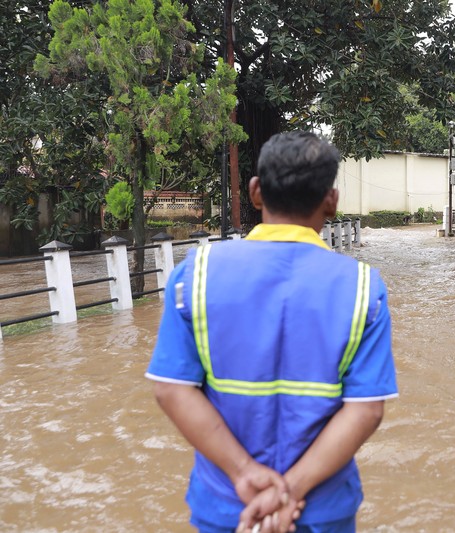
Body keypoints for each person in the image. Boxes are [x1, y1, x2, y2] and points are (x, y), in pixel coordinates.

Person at [146, 130, 398, 533]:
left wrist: (245, 473)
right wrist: (292, 490)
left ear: (256, 192)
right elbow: (366, 409)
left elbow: (171, 389)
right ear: (331, 201)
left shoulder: (194, 275)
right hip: (320, 510)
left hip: (228, 505)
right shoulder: (363, 288)